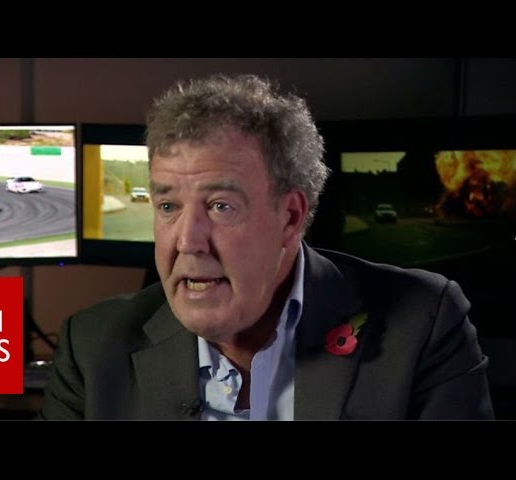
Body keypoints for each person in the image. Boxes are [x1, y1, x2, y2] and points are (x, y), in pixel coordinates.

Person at [38, 74, 494, 420]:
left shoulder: (421, 324)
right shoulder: (93, 347)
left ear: (290, 217)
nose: (188, 241)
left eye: (220, 206)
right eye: (168, 206)